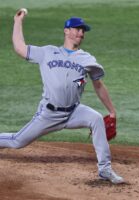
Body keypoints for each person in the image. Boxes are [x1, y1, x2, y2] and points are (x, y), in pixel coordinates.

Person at [0, 10, 124, 184]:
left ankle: (105, 169)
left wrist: (111, 111)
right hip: (49, 114)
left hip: (74, 112)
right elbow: (20, 48)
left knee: (96, 119)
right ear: (66, 31)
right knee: (17, 141)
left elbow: (98, 85)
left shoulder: (87, 59)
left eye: (83, 30)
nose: (81, 33)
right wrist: (18, 21)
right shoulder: (47, 52)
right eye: (77, 29)